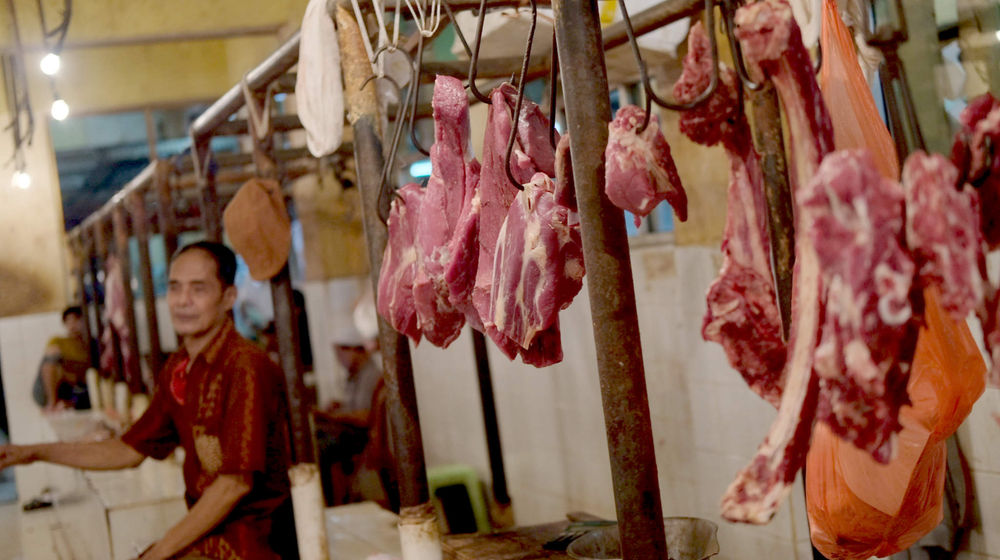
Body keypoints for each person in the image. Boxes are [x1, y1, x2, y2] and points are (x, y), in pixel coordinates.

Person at [1, 241, 296, 560]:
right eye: (174, 288)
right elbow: (128, 450)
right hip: (212, 538)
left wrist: (157, 553)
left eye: (199, 289)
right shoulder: (180, 367)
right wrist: (34, 453)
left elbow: (234, 484)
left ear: (228, 297)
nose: (183, 301)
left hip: (255, 545)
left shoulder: (245, 366)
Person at [31, 306, 91, 410]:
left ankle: (65, 403)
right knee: (52, 356)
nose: (73, 325)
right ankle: (52, 403)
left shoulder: (88, 345)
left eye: (76, 320)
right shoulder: (58, 341)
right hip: (48, 388)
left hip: (73, 387)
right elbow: (49, 365)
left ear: (83, 321)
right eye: (68, 321)